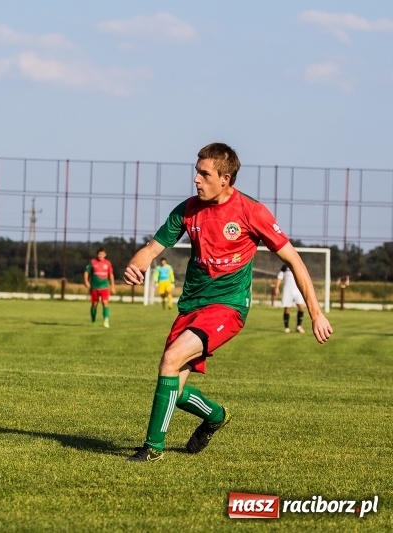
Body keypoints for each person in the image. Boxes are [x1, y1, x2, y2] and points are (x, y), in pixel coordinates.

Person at [122, 142, 332, 463]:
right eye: (196, 172)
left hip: (228, 306)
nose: (196, 179)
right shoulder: (188, 209)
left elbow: (294, 260)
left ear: (226, 178)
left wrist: (316, 314)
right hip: (192, 305)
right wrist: (137, 265)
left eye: (204, 174)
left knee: (171, 359)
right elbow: (151, 249)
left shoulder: (251, 212)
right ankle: (217, 416)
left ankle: (152, 448)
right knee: (173, 389)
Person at [83, 247, 116, 328]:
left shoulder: (107, 263)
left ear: (105, 255)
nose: (100, 256)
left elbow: (111, 275)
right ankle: (93, 321)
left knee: (105, 303)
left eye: (102, 254)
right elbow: (86, 272)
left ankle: (106, 321)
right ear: (97, 254)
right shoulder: (92, 262)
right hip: (94, 287)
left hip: (104, 287)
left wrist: (113, 286)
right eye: (99, 254)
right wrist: (86, 281)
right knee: (94, 304)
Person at [274, 264, 306, 333]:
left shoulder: (299, 265)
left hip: (298, 290)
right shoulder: (285, 267)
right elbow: (279, 277)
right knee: (287, 308)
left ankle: (299, 326)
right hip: (287, 290)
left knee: (301, 307)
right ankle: (286, 327)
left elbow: (304, 277)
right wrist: (277, 287)